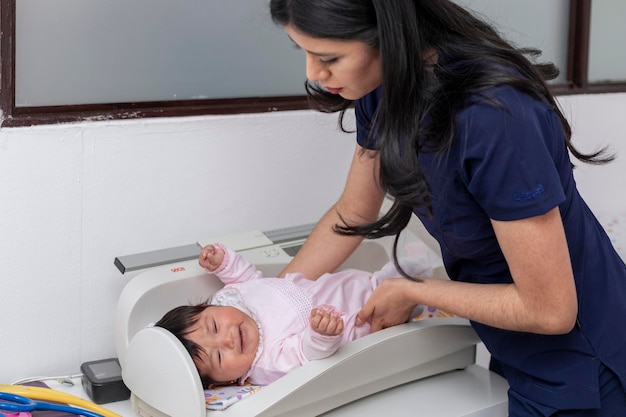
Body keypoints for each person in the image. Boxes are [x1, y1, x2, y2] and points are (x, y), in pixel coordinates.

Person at [268, 0, 626, 415]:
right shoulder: (385, 91)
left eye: (329, 57)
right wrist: (269, 303)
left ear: (388, 35)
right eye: (305, 53)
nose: (313, 74)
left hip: (585, 356)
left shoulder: (494, 117)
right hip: (508, 336)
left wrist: (411, 290)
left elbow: (551, 311)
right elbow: (353, 213)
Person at [155, 242, 432, 387]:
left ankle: (406, 279)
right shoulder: (266, 362)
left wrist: (222, 261)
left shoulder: (233, 298)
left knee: (377, 280)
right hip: (356, 320)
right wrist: (321, 335)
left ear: (208, 307)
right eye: (218, 357)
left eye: (214, 326)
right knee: (399, 292)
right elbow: (304, 353)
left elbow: (247, 276)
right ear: (225, 381)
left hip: (337, 284)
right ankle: (420, 293)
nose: (226, 340)